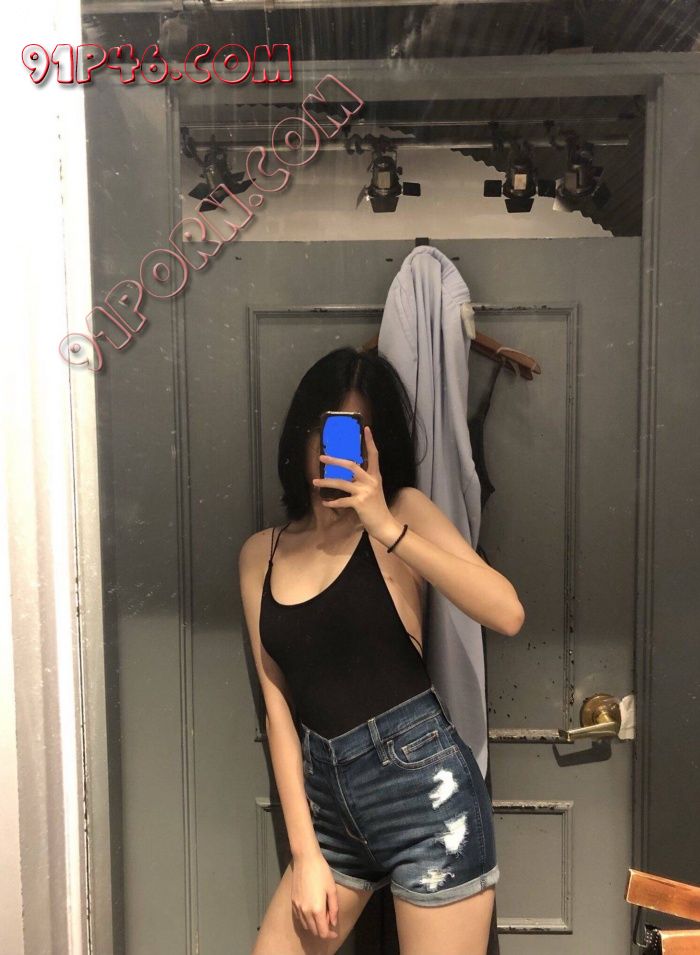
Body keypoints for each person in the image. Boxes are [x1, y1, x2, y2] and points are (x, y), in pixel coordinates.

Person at [238, 347, 524, 955]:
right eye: (323, 429)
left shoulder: (403, 513)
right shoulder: (261, 552)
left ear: (375, 442)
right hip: (327, 811)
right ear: (302, 435)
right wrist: (305, 855)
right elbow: (278, 711)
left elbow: (506, 612)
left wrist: (384, 526)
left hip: (429, 798)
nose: (331, 450)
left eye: (352, 431)